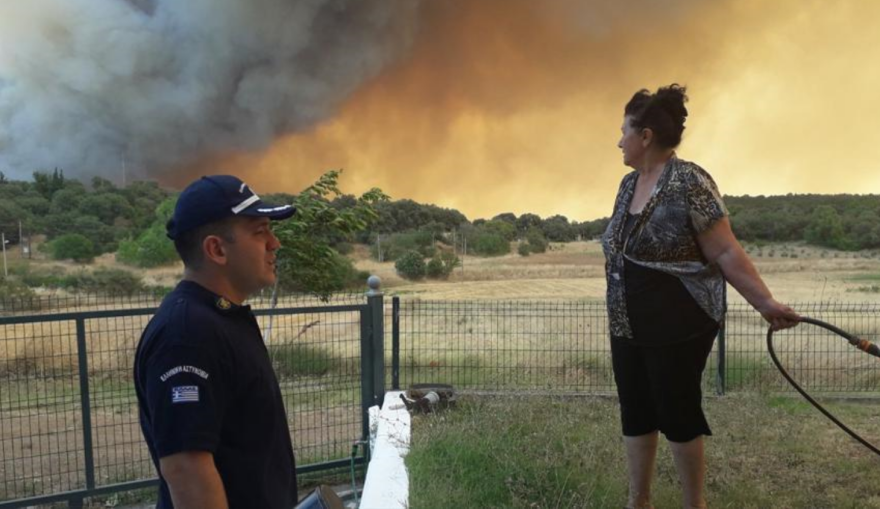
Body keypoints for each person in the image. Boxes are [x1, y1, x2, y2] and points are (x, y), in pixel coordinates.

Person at [602, 84, 799, 509]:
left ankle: (695, 505)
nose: (619, 140)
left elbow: (725, 249)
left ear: (646, 136)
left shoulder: (690, 181)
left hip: (678, 321)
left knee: (676, 412)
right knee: (635, 410)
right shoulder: (626, 184)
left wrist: (764, 304)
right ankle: (639, 502)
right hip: (626, 321)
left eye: (624, 131)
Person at [134, 175, 297, 509]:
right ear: (216, 249)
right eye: (260, 231)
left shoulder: (219, 319)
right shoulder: (187, 336)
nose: (274, 243)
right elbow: (187, 470)